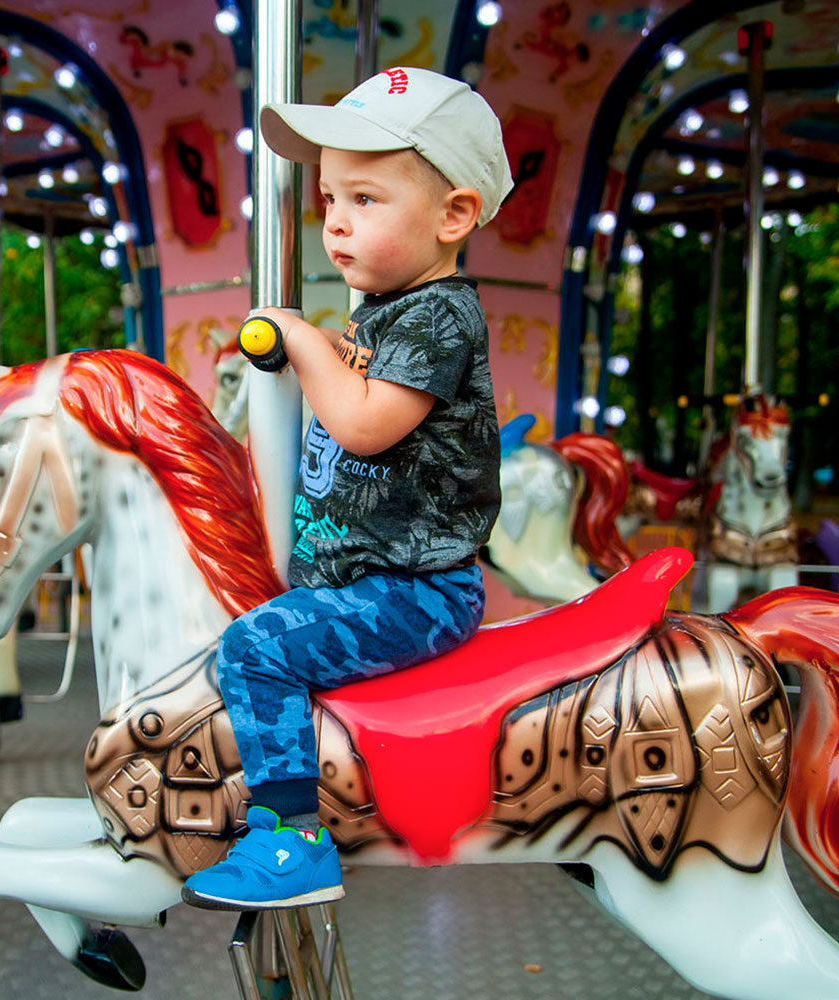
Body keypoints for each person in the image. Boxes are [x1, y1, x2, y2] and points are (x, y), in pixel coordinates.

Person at [182, 68, 512, 910]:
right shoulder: (386, 311)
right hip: (364, 572)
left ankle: (290, 842)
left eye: (365, 198)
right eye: (329, 197)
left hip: (417, 586)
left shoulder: (438, 315)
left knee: (253, 650)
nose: (333, 220)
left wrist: (298, 336)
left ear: (454, 216)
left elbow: (365, 426)